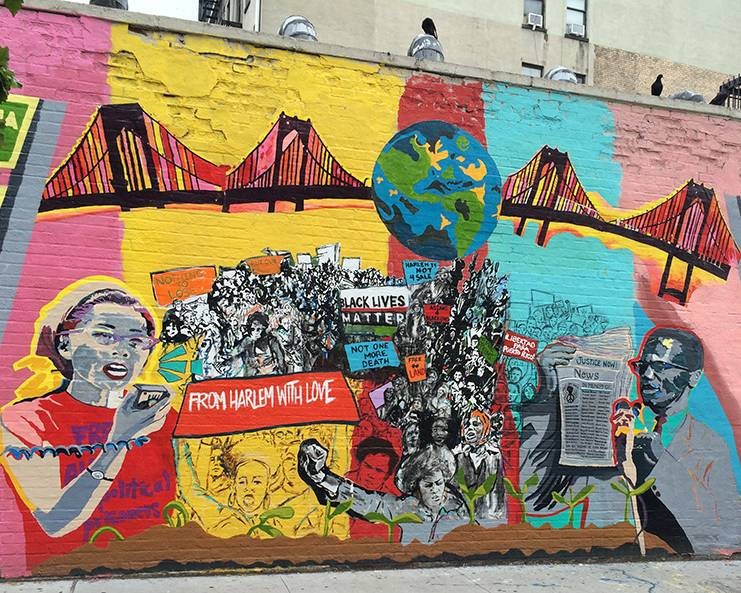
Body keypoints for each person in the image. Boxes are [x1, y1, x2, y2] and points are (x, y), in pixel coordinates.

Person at [0, 282, 177, 570]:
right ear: (65, 344)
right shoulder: (27, 420)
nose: (123, 352)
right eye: (104, 336)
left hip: (156, 569)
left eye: (136, 342)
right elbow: (55, 522)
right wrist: (120, 439)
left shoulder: (160, 416)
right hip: (66, 571)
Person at [521, 326, 740, 554]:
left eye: (660, 367)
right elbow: (534, 498)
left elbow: (728, 532)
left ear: (693, 377)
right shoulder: (612, 426)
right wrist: (547, 390)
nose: (645, 375)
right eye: (642, 366)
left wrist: (660, 465)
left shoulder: (709, 445)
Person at [297, 439, 467, 544]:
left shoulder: (459, 510)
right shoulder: (409, 507)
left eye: (439, 483)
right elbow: (370, 503)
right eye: (428, 486)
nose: (436, 490)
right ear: (415, 488)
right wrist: (321, 476)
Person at [453, 410, 505, 521]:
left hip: (488, 516)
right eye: (466, 425)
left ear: (485, 428)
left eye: (476, 424)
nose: (470, 429)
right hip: (464, 517)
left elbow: (498, 490)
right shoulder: (459, 455)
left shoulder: (494, 455)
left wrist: (495, 515)